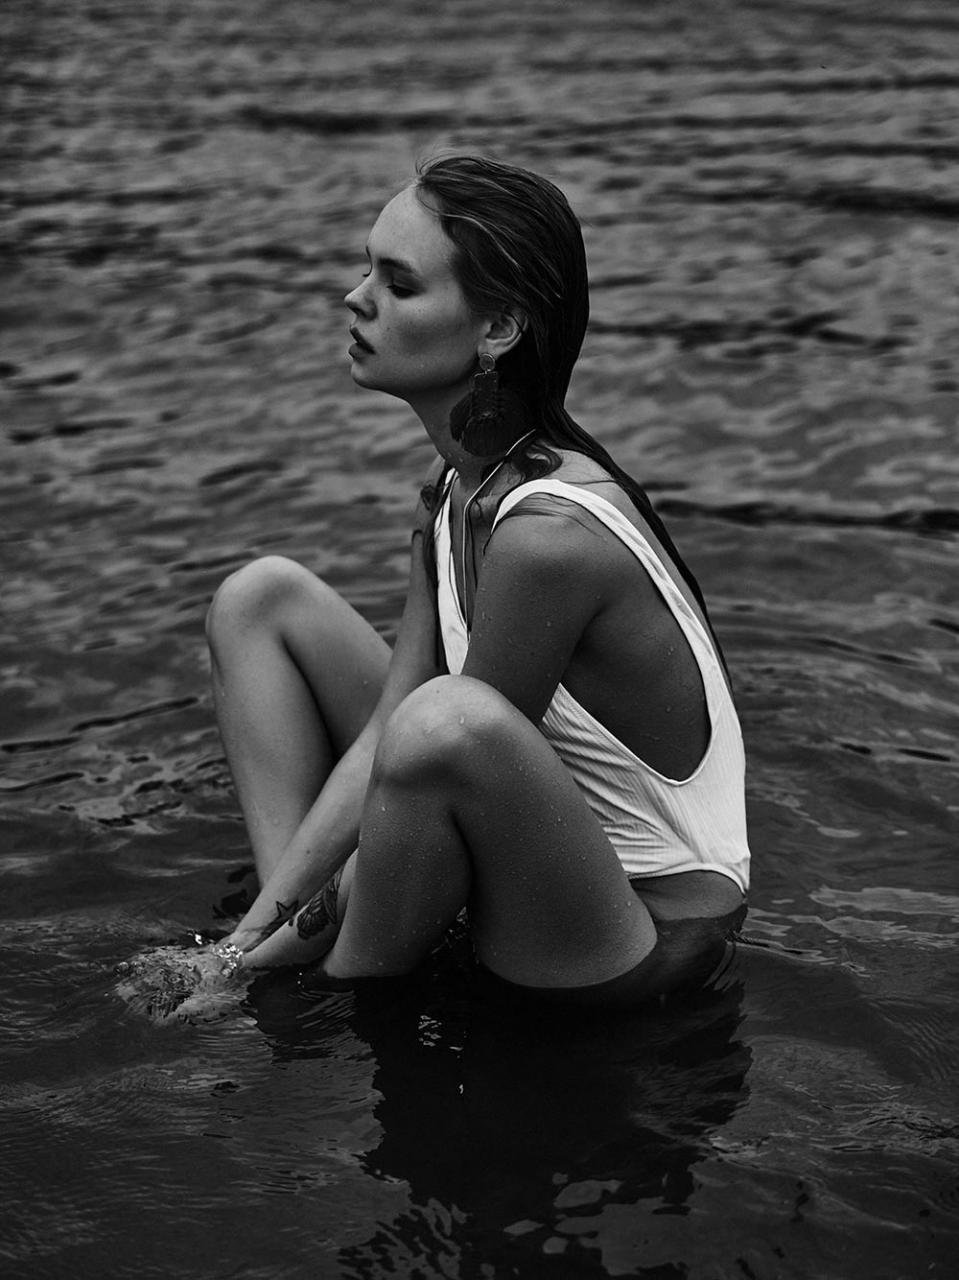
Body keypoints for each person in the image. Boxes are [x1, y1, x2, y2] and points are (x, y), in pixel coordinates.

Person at [202, 155, 750, 1008]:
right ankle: (279, 936)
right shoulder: (455, 485)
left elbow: (446, 744)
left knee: (444, 722)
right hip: (517, 826)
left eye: (398, 284)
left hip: (639, 930)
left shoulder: (547, 539)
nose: (355, 298)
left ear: (496, 329)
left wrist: (244, 979)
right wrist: (244, 946)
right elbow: (387, 727)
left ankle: (323, 995)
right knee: (260, 601)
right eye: (366, 270)